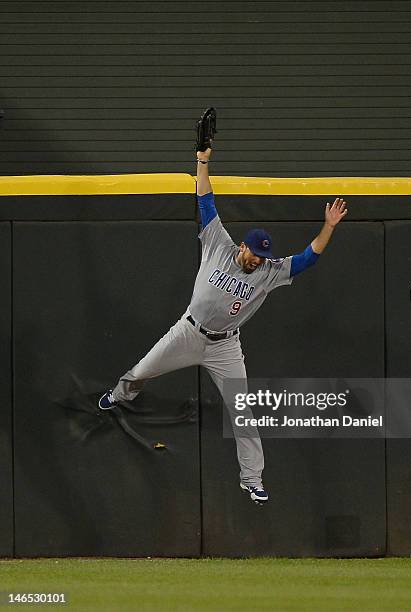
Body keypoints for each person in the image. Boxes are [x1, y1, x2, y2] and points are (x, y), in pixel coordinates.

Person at [99, 142, 348, 505]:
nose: (258, 261)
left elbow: (309, 259)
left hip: (225, 346)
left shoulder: (269, 271)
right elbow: (206, 201)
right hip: (189, 331)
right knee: (142, 371)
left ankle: (252, 479)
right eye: (254, 255)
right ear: (243, 247)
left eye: (263, 257)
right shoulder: (218, 242)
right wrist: (202, 162)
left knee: (242, 412)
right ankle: (118, 396)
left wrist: (328, 227)